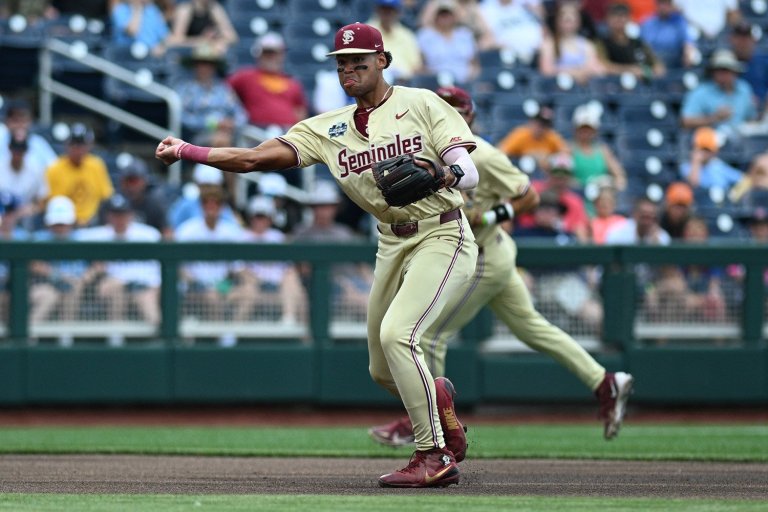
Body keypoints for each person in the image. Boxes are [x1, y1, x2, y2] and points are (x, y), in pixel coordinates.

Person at [157, 21, 480, 488]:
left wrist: (442, 175)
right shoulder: (328, 128)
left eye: (359, 62)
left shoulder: (422, 102)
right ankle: (439, 401)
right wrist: (189, 149)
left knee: (398, 335)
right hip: (391, 240)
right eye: (342, 64)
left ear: (382, 61)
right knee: (381, 366)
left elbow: (467, 171)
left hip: (442, 232)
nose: (349, 70)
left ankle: (433, 454)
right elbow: (253, 158)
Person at [369, 86, 634, 448]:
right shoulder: (423, 151)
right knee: (532, 328)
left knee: (430, 335)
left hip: (482, 256)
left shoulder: (483, 154)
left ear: (470, 115)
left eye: (457, 110)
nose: (448, 114)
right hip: (489, 252)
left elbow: (529, 196)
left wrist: (491, 215)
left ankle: (433, 424)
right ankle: (605, 382)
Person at [76, 194, 162, 347]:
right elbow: (67, 237)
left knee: (147, 300)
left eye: (122, 214)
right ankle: (115, 342)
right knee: (113, 288)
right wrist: (96, 267)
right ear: (108, 216)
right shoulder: (97, 236)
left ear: (131, 215)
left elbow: (158, 272)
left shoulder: (148, 235)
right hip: (114, 284)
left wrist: (154, 287)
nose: (119, 219)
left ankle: (160, 343)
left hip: (143, 286)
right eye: (115, 215)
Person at [290, 182, 374, 321]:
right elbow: (301, 269)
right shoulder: (301, 233)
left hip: (353, 282)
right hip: (323, 287)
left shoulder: (344, 232)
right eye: (319, 206)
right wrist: (342, 283)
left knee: (374, 294)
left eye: (328, 206)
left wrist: (371, 281)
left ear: (335, 208)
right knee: (360, 299)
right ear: (313, 209)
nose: (323, 211)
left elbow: (361, 265)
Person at [174, 185, 245, 347]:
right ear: (201, 206)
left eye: (216, 204)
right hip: (194, 286)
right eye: (207, 203)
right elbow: (179, 267)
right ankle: (221, 342)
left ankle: (231, 333)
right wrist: (196, 282)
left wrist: (233, 283)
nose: (211, 208)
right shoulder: (187, 230)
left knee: (247, 292)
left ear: (222, 207)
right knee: (211, 295)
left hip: (222, 285)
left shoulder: (231, 231)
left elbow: (236, 269)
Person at [228, 195, 306, 324]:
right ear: (250, 217)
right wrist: (256, 280)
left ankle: (290, 324)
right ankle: (232, 336)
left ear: (270, 218)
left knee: (296, 285)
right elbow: (237, 268)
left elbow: (288, 267)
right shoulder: (241, 237)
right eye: (257, 216)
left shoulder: (278, 237)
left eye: (264, 217)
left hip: (278, 285)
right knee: (249, 290)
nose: (260, 221)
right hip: (251, 285)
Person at [29, 196, 89, 345]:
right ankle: (27, 338)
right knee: (48, 295)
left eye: (63, 224)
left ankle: (66, 340)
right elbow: (31, 262)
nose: (60, 228)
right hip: (44, 284)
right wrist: (55, 275)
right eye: (56, 224)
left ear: (72, 223)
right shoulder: (38, 239)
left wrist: (83, 278)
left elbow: (99, 264)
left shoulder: (83, 240)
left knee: (73, 288)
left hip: (75, 285)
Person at [227, 32, 309, 129]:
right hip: (255, 132)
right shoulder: (245, 77)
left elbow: (300, 111)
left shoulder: (293, 83)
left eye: (275, 53)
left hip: (286, 133)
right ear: (259, 55)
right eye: (267, 53)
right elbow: (224, 91)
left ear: (282, 55)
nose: (271, 57)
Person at [175, 44, 248, 147]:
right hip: (196, 136)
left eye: (209, 64)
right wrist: (212, 124)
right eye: (201, 63)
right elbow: (181, 117)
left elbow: (241, 114)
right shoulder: (185, 89)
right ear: (195, 65)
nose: (205, 67)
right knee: (222, 141)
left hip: (227, 133)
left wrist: (232, 123)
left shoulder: (223, 89)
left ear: (214, 67)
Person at [45, 123, 114, 227]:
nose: (78, 149)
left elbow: (106, 197)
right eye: (74, 144)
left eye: (82, 144)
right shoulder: (54, 168)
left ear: (90, 145)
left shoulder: (96, 165)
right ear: (66, 145)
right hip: (63, 224)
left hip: (93, 223)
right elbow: (50, 202)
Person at [680, 49, 757, 132]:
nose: (723, 74)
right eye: (719, 70)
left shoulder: (744, 89)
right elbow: (685, 121)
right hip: (710, 141)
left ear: (735, 72)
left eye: (727, 70)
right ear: (713, 72)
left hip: (741, 140)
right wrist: (714, 118)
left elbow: (751, 118)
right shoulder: (701, 92)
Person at [538, 1, 605, 84]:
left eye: (572, 20)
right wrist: (575, 73)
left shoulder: (587, 45)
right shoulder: (548, 44)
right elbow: (546, 71)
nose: (569, 24)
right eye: (566, 20)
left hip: (584, 90)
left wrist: (569, 71)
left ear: (579, 21)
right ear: (557, 21)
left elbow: (598, 69)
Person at [596, 2, 665, 80]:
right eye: (615, 16)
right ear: (607, 19)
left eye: (622, 16)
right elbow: (604, 66)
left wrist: (647, 72)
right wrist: (631, 70)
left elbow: (658, 67)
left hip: (640, 88)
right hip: (611, 87)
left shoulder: (638, 43)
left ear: (629, 18)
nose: (619, 19)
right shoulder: (601, 43)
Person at [416, 0, 479, 85]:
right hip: (436, 82)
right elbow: (421, 64)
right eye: (442, 15)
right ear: (436, 16)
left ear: (455, 16)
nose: (445, 18)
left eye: (448, 14)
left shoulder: (465, 34)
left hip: (465, 82)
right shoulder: (425, 35)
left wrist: (472, 77)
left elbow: (474, 63)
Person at [569, 104, 627, 191]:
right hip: (576, 196)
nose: (585, 132)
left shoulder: (603, 150)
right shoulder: (568, 149)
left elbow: (619, 175)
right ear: (575, 129)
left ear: (595, 131)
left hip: (599, 196)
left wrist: (610, 184)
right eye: (582, 129)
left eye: (589, 129)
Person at [496, 106, 568, 172]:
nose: (541, 127)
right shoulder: (521, 134)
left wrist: (550, 159)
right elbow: (501, 152)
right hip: (521, 173)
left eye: (545, 125)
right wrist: (520, 158)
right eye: (539, 123)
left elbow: (566, 154)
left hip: (544, 177)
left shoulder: (551, 136)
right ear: (532, 122)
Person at [366, 0, 423, 82]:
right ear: (377, 10)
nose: (387, 13)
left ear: (398, 12)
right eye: (384, 9)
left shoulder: (407, 35)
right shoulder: (367, 31)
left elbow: (417, 67)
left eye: (391, 10)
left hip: (405, 83)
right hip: (376, 81)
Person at [479, 0, 544, 65]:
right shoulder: (486, 8)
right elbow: (484, 42)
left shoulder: (526, 4)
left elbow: (544, 30)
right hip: (506, 60)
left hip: (537, 56)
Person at [679, 126, 743, 193]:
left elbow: (744, 181)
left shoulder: (719, 166)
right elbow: (693, 185)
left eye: (708, 150)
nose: (704, 153)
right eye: (701, 149)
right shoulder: (685, 168)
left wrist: (733, 195)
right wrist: (696, 162)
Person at [640, 0, 698, 70]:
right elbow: (645, 47)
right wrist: (655, 63)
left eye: (667, 4)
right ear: (656, 5)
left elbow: (688, 41)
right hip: (654, 60)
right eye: (661, 3)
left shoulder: (679, 20)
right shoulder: (648, 23)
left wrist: (688, 53)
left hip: (675, 61)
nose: (664, 7)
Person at [166, 0, 238, 55]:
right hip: (187, 56)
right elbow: (176, 41)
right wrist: (203, 41)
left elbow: (233, 38)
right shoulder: (185, 10)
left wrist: (220, 41)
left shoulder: (214, 9)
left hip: (206, 57)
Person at [419, 0, 496, 50]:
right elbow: (424, 24)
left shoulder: (472, 5)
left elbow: (485, 31)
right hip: (441, 43)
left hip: (466, 44)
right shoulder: (439, 3)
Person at [728, 20, 768, 113]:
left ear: (753, 40)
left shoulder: (764, 62)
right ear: (731, 39)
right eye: (739, 38)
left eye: (746, 38)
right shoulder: (722, 64)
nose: (742, 42)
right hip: (730, 111)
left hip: (761, 111)